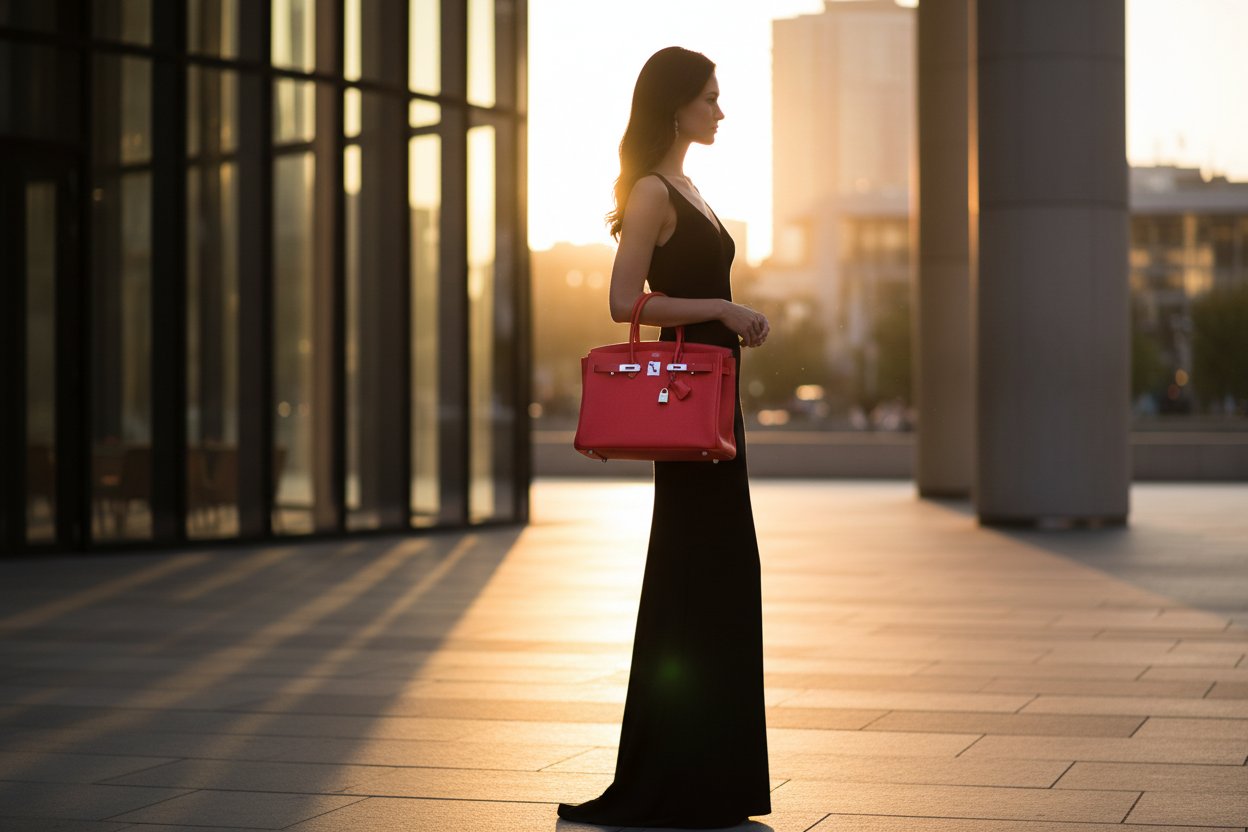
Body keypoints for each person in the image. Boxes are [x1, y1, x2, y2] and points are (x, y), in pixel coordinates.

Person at [557, 46, 771, 830]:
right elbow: (624, 301)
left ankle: (712, 781)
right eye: (711, 97)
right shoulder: (652, 190)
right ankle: (670, 782)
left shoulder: (693, 186)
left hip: (716, 404)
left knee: (718, 576)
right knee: (695, 573)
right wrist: (720, 311)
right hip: (689, 405)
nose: (721, 110)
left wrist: (730, 316)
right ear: (677, 105)